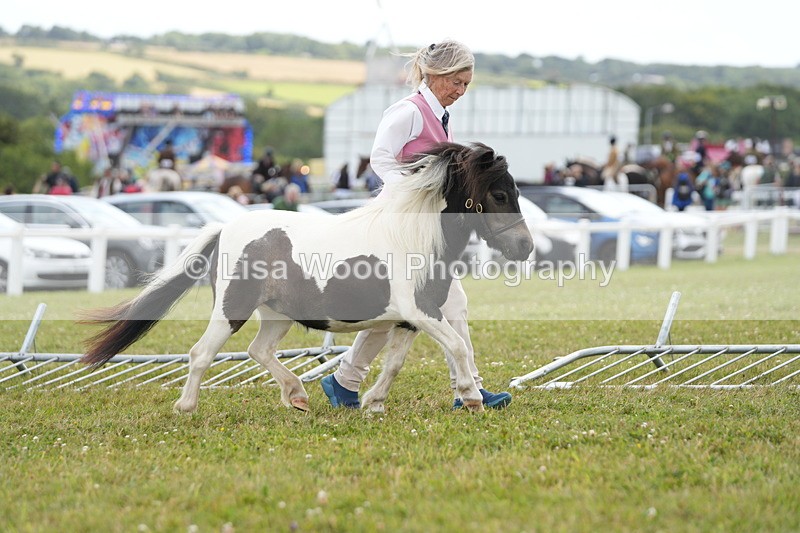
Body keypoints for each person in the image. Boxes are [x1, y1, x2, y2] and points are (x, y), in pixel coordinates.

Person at [320, 39, 512, 411]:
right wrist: (409, 192)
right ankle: (468, 390)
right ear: (435, 75)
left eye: (466, 84)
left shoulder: (441, 114)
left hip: (424, 229)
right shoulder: (409, 111)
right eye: (456, 82)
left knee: (403, 308)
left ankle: (345, 381)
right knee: (442, 302)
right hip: (399, 225)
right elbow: (380, 158)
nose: (460, 91)